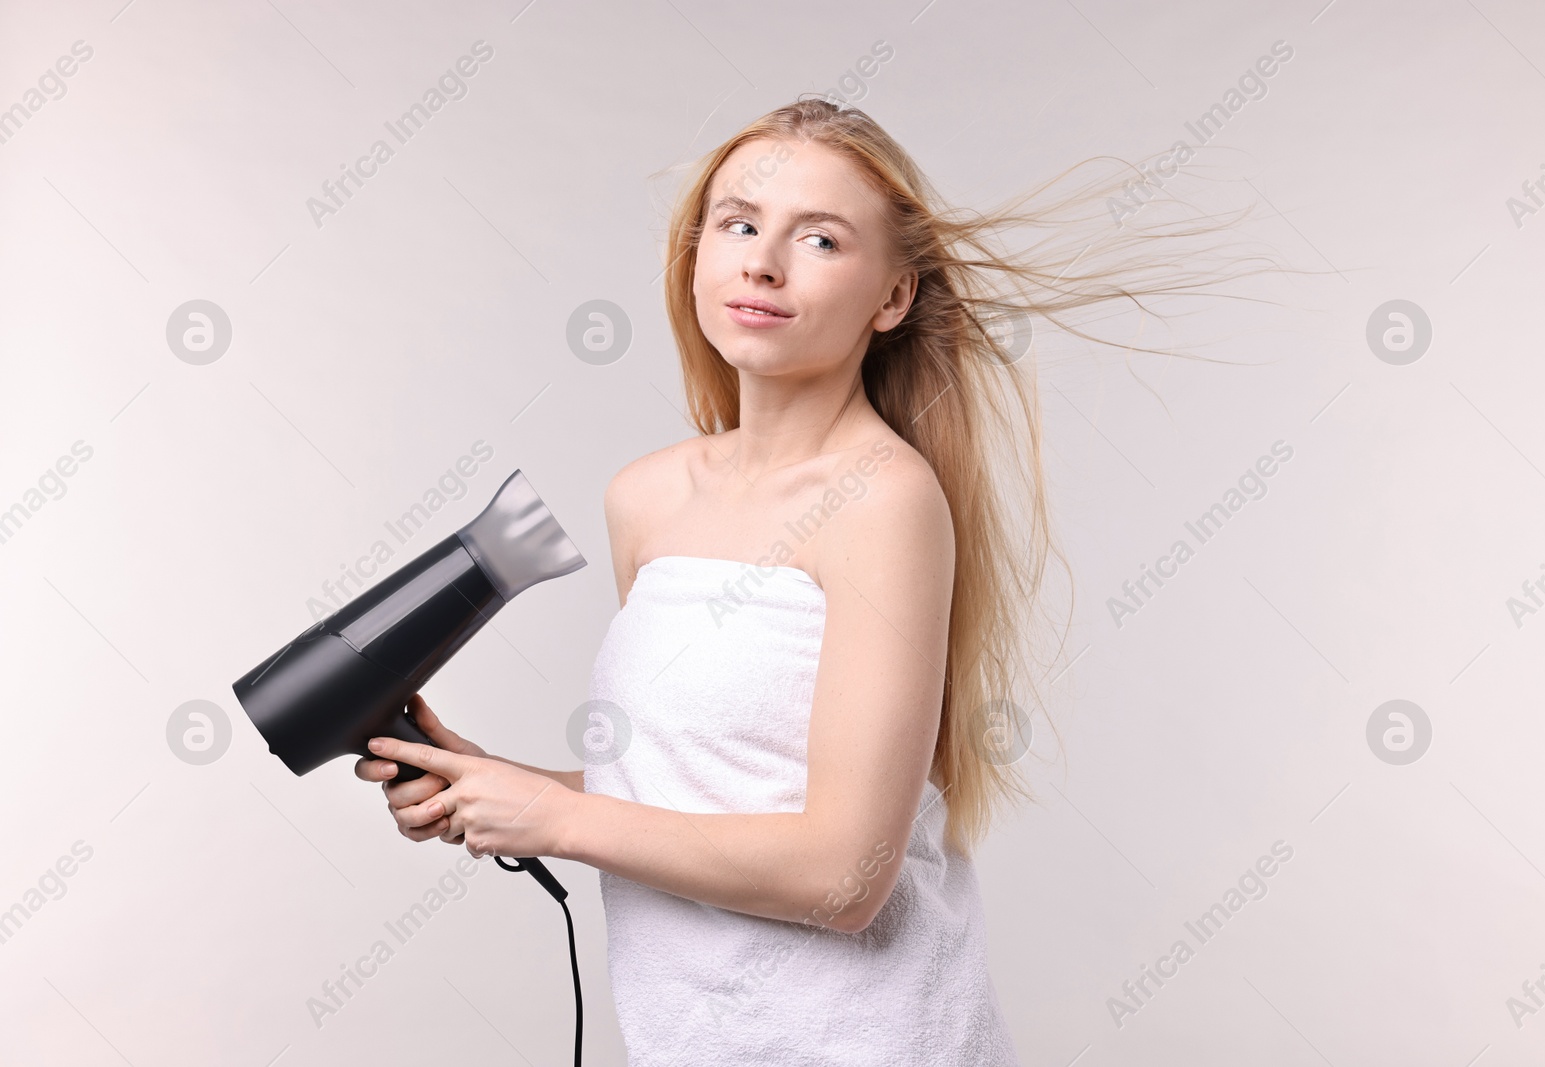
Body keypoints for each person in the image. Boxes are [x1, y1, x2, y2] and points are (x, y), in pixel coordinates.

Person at [356, 96, 1268, 1064]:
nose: (761, 261)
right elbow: (699, 789)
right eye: (737, 224)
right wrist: (499, 786)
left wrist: (564, 819)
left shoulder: (883, 500)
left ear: (892, 297)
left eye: (820, 239)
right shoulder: (648, 497)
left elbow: (846, 874)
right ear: (696, 255)